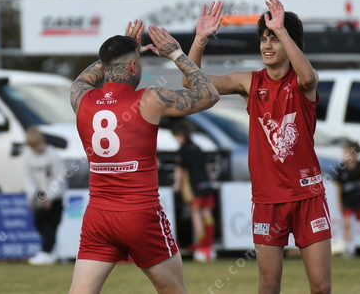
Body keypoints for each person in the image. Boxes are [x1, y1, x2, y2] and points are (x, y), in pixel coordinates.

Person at [185, 0, 331, 294]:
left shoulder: (302, 82)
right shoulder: (249, 82)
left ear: (290, 43)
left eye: (274, 39)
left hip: (308, 196)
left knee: (320, 286)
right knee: (268, 284)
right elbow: (191, 84)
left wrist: (282, 30)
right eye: (264, 39)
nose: (267, 45)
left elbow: (308, 76)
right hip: (267, 200)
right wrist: (200, 39)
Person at [68, 20, 219, 294]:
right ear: (133, 67)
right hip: (140, 214)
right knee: (174, 290)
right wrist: (175, 53)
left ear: (105, 66)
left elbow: (83, 79)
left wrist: (116, 53)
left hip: (98, 216)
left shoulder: (81, 98)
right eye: (138, 61)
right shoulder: (150, 99)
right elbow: (209, 94)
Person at [171, 119, 216, 263]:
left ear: (180, 135)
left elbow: (179, 170)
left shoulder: (183, 150)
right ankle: (209, 244)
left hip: (194, 187)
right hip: (206, 185)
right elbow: (208, 168)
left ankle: (201, 244)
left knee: (196, 213)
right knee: (207, 212)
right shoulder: (198, 148)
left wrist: (176, 186)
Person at [25, 126, 67, 266]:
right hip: (38, 196)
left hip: (54, 197)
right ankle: (50, 250)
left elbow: (58, 177)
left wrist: (50, 196)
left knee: (51, 224)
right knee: (39, 224)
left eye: (38, 145)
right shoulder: (27, 157)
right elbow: (28, 179)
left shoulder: (53, 155)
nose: (37, 149)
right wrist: (33, 196)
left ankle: (47, 251)